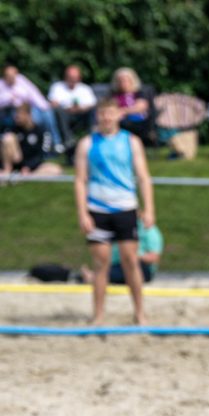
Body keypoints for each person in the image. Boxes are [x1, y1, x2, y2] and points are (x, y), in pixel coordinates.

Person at [73, 98, 156, 325]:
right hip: (98, 209)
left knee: (131, 261)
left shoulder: (131, 142)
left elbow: (143, 178)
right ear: (98, 116)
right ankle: (98, 315)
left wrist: (149, 208)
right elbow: (80, 180)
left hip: (125, 207)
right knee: (100, 264)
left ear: (119, 115)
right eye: (103, 114)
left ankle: (140, 313)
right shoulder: (87, 144)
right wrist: (82, 213)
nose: (107, 118)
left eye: (111, 113)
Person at [0, 65, 64, 152]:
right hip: (9, 112)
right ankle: (34, 144)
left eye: (13, 76)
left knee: (48, 114)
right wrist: (9, 98)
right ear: (5, 76)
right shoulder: (1, 85)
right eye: (9, 76)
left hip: (28, 110)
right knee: (35, 119)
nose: (11, 78)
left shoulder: (21, 80)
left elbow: (34, 93)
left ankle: (56, 143)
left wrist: (45, 106)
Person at [79, 220, 163, 285]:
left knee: (131, 265)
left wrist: (135, 256)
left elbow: (154, 257)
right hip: (119, 264)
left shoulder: (148, 229)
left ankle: (94, 277)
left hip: (141, 265)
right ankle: (95, 276)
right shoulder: (119, 227)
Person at [0, 103, 62, 177]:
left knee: (56, 170)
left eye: (19, 115)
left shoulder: (41, 131)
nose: (16, 118)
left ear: (28, 115)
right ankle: (7, 172)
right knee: (8, 138)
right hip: (16, 163)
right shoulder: (13, 130)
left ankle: (26, 176)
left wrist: (28, 166)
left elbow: (42, 154)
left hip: (32, 167)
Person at [48, 65, 97, 154]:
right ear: (65, 77)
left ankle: (92, 137)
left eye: (74, 77)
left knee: (93, 112)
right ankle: (68, 140)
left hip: (81, 115)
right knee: (58, 111)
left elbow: (92, 104)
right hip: (64, 115)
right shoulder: (57, 87)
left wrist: (79, 108)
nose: (72, 80)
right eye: (70, 77)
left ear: (79, 78)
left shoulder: (85, 89)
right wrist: (67, 107)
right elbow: (53, 103)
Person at [111, 67, 151, 143]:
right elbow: (111, 107)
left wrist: (123, 111)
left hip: (139, 120)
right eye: (120, 81)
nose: (123, 83)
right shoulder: (114, 95)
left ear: (132, 81)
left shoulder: (139, 93)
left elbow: (141, 107)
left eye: (126, 80)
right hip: (120, 119)